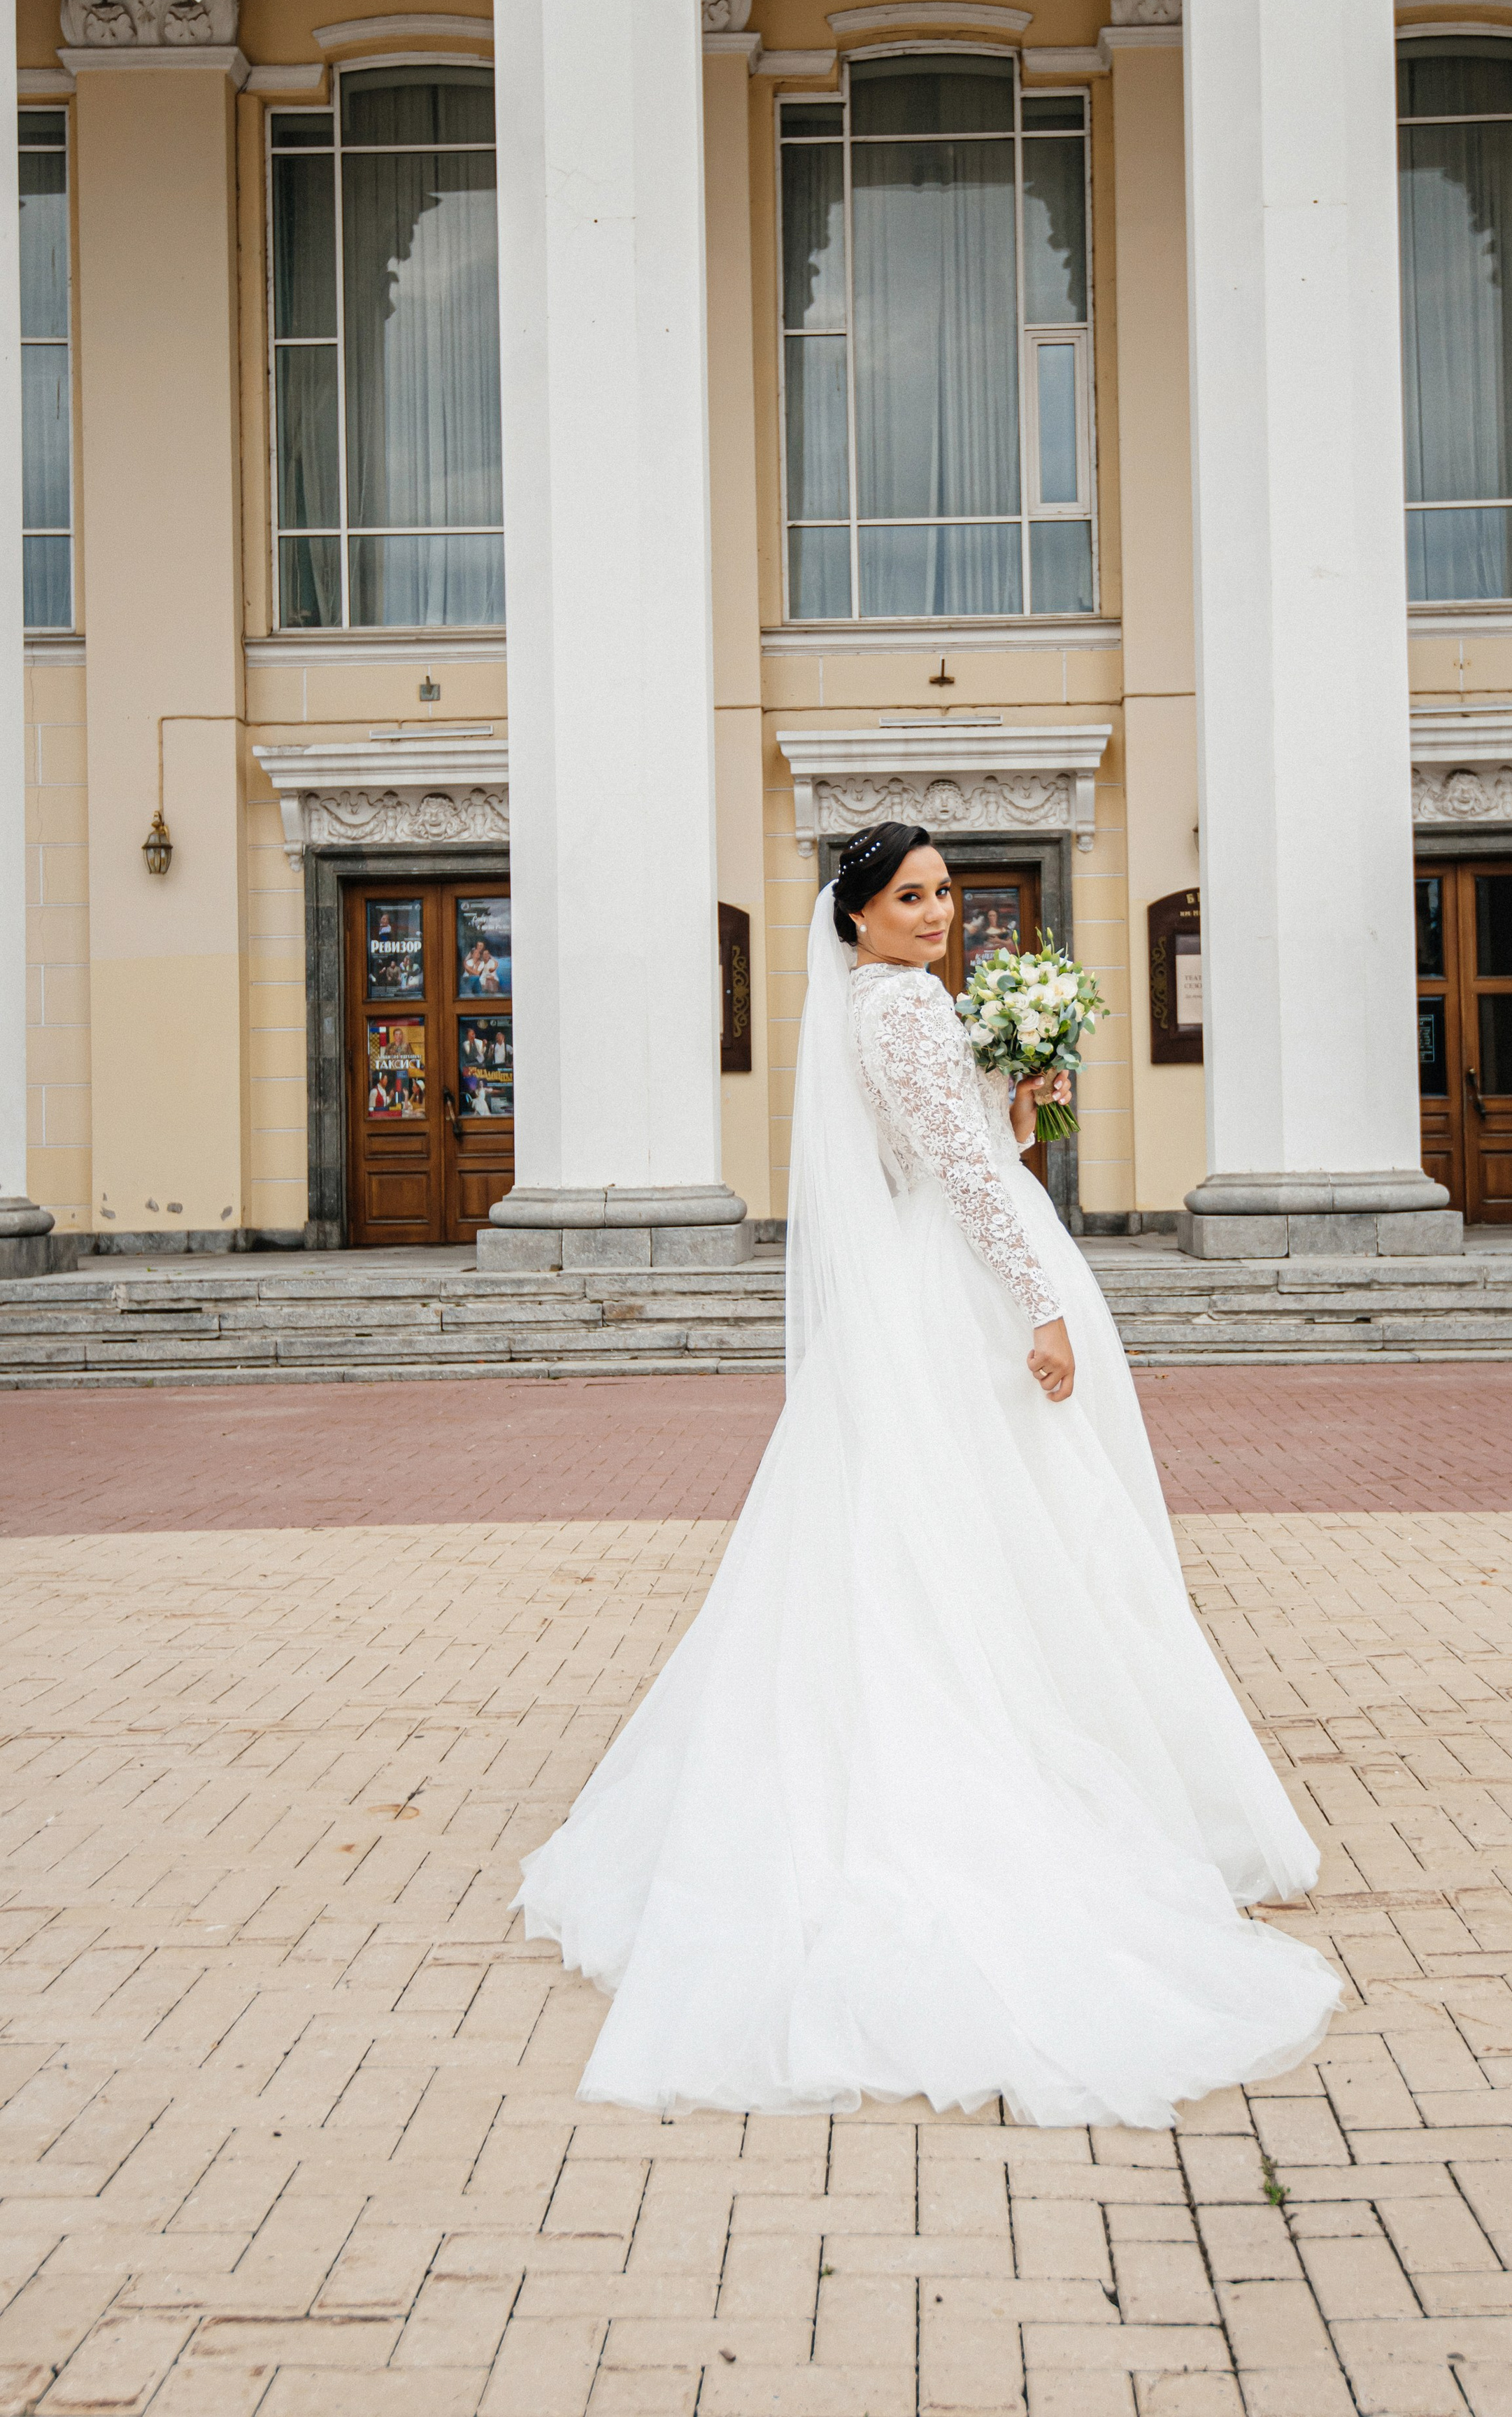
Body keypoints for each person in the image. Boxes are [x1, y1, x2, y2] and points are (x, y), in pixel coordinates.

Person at [515, 825, 1339, 2125]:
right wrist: (1037, 1301)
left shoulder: (895, 1005)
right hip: (952, 1295)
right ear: (854, 917)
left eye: (947, 892)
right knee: (996, 1528)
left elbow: (971, 1150)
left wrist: (1023, 1097)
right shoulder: (897, 1011)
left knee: (980, 1528)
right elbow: (957, 1180)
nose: (937, 910)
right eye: (910, 895)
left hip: (937, 1277)